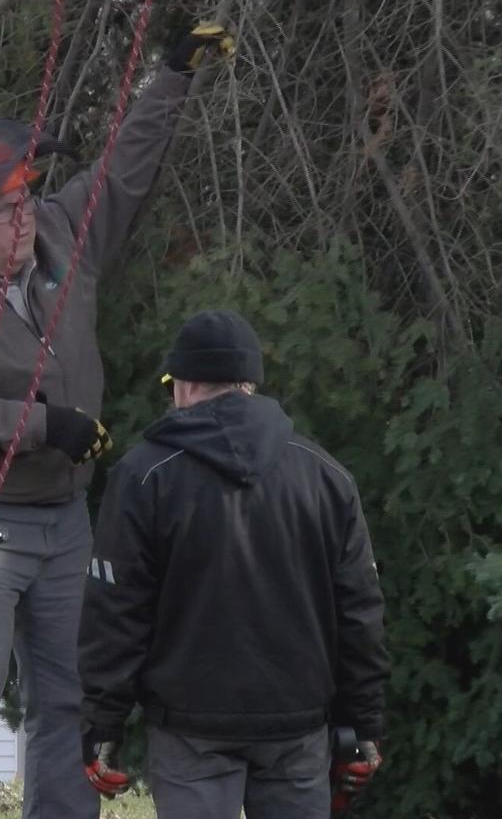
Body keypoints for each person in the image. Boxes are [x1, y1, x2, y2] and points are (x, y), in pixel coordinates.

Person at [0, 23, 235, 819]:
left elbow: (122, 172)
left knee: (70, 696)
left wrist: (172, 75)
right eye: (6, 211)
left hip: (62, 518)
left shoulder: (61, 241)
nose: (26, 221)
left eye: (30, 202)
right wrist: (43, 425)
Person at [77, 310, 390, 817]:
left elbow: (116, 614)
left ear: (185, 383)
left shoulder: (144, 476)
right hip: (297, 725)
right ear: (248, 384)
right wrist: (365, 725)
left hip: (189, 727)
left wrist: (101, 726)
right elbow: (360, 611)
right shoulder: (325, 475)